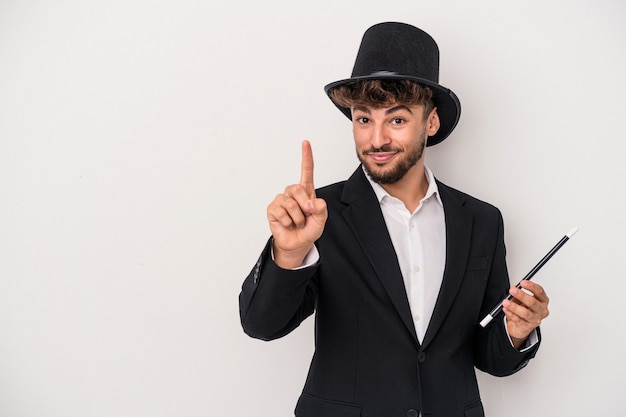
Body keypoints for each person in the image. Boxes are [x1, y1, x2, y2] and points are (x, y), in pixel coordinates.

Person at [239, 22, 550, 417]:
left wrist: (517, 331)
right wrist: (288, 254)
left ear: (431, 123)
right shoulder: (317, 214)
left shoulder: (482, 222)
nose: (377, 139)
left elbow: (489, 356)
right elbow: (261, 325)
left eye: (397, 120)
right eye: (364, 119)